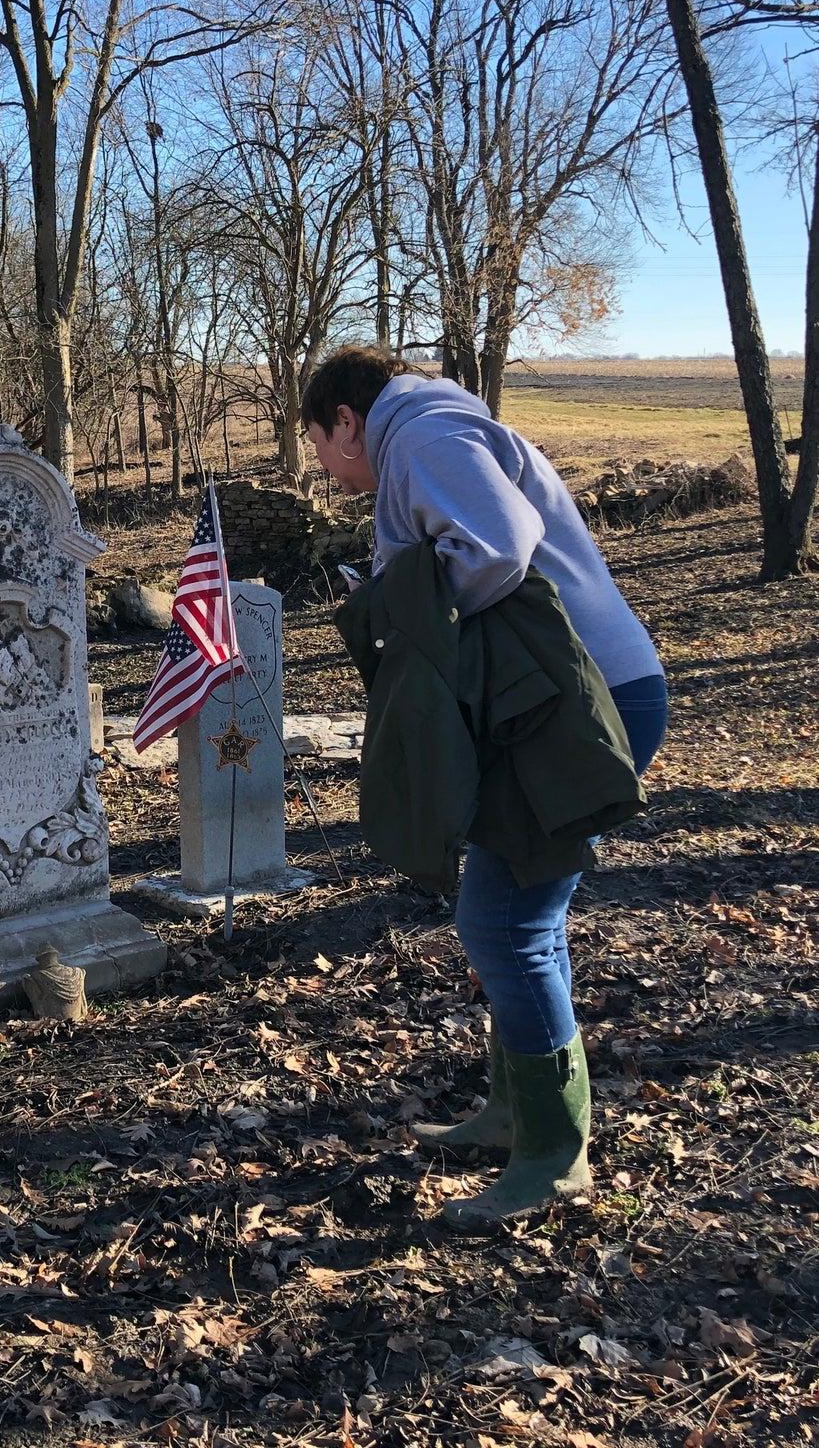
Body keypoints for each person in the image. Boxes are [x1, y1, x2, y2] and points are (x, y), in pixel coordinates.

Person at [301, 346, 668, 1231]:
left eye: (315, 440)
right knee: (517, 916)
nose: (320, 464)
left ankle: (551, 1152)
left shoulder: (421, 433)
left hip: (578, 707)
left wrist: (402, 607)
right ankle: (518, 1112)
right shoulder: (435, 428)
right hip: (557, 700)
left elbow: (496, 549)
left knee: (503, 921)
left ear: (345, 420)